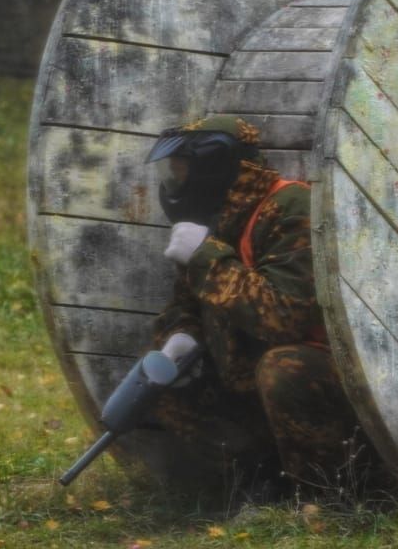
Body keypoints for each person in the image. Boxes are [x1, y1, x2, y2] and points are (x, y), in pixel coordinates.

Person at [144, 116, 361, 497]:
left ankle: (328, 495)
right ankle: (259, 484)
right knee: (158, 385)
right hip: (244, 378)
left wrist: (205, 258)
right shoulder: (217, 217)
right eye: (171, 174)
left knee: (282, 369)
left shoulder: (291, 207)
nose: (175, 185)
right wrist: (180, 337)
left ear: (215, 168)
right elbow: (184, 306)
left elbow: (284, 316)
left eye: (181, 173)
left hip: (328, 380)